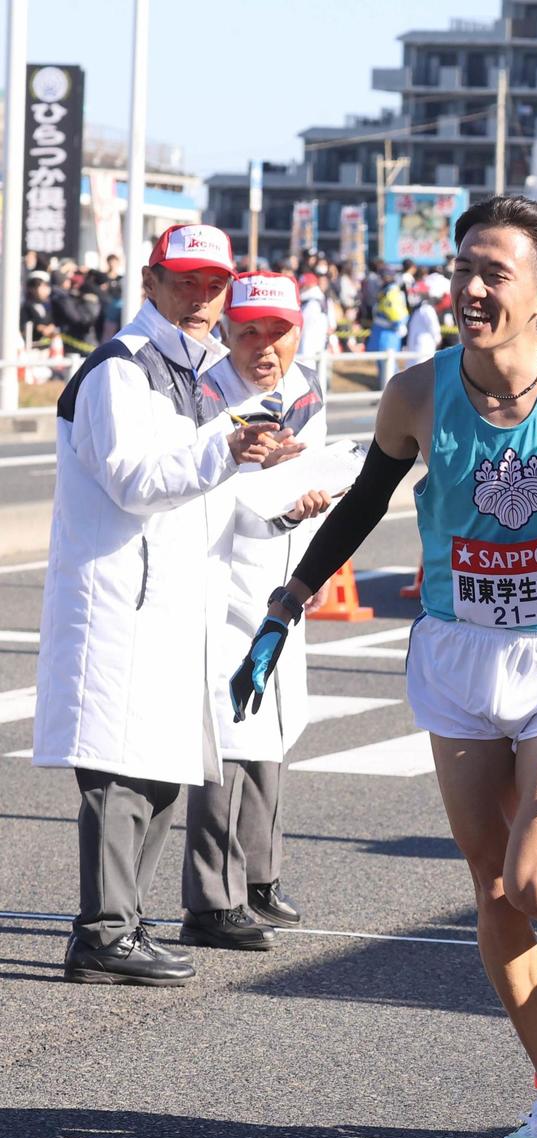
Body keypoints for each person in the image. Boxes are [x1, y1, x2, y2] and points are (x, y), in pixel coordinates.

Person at [229, 194, 537, 1138]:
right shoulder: (415, 392)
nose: (472, 287)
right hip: (454, 653)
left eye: (495, 271)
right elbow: (367, 500)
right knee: (492, 888)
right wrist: (290, 597)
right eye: (464, 269)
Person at [32, 222, 280, 986]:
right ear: (149, 280)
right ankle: (103, 931)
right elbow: (135, 480)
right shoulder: (121, 369)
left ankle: (124, 926)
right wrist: (227, 449)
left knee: (161, 770)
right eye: (185, 282)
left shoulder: (196, 369)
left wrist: (265, 470)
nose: (202, 297)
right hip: (119, 602)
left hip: (168, 602)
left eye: (213, 284)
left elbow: (198, 487)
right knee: (118, 772)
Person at [181, 272, 331, 951]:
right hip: (221, 576)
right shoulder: (207, 394)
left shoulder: (304, 390)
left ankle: (260, 877)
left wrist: (309, 512)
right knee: (229, 732)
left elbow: (313, 474)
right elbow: (212, 493)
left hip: (279, 576)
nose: (263, 347)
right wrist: (274, 492)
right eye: (248, 332)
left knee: (273, 726)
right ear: (226, 332)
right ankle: (212, 900)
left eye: (277, 332)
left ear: (298, 331)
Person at [295, 271, 330, 367]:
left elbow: (302, 328)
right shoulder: (322, 300)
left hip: (307, 351)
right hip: (321, 347)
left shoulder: (311, 304)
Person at [20, 272, 57, 347]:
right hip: (32, 347)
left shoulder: (53, 305)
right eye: (35, 286)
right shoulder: (26, 306)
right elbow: (22, 326)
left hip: (50, 347)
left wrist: (52, 327)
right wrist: (37, 327)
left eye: (45, 286)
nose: (39, 289)